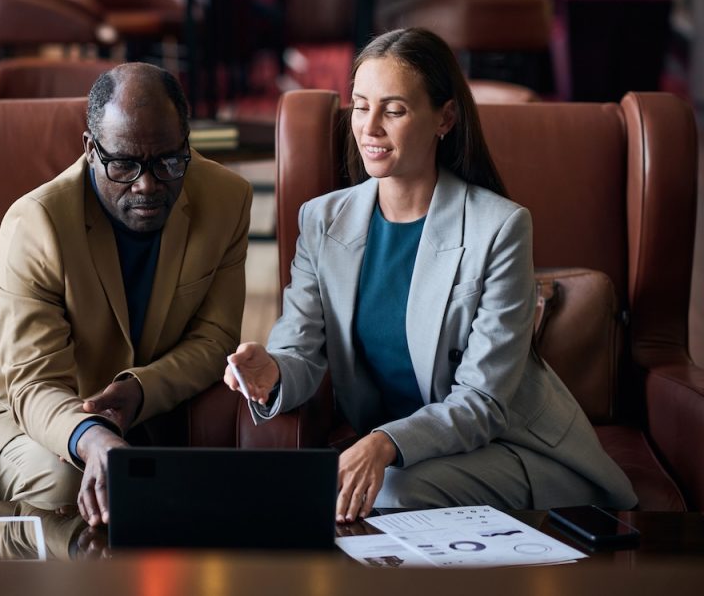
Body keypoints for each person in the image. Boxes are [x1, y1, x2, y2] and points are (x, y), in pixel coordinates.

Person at [226, 28, 637, 523]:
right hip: (415, 456)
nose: (369, 127)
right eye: (360, 106)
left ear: (444, 117)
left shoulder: (500, 227)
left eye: (394, 110)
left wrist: (382, 442)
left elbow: (483, 401)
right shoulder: (323, 220)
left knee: (386, 493)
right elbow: (299, 353)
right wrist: (269, 374)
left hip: (516, 448)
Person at [0, 62, 252, 527]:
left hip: (127, 412)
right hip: (3, 413)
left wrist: (142, 389)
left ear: (187, 144)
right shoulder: (36, 224)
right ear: (90, 149)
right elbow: (33, 384)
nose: (147, 184)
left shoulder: (227, 199)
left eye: (168, 161)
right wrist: (92, 437)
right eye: (123, 163)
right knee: (72, 486)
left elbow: (216, 338)